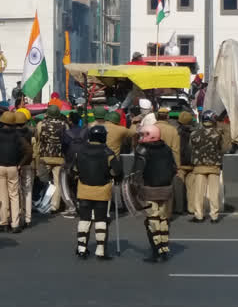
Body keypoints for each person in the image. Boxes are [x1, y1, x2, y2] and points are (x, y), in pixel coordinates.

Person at [74, 125, 122, 260]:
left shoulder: (80, 151)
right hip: (102, 190)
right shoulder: (108, 153)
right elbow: (117, 171)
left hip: (83, 189)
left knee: (84, 219)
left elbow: (73, 170)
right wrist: (112, 176)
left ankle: (81, 248)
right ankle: (100, 250)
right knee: (101, 220)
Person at [133, 124, 176, 262]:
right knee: (163, 220)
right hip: (166, 190)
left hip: (149, 190)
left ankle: (155, 251)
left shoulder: (142, 150)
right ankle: (164, 250)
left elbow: (137, 173)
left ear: (149, 135)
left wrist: (135, 189)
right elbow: (174, 168)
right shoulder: (167, 149)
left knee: (152, 221)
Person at [0, 111, 31, 233]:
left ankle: (3, 222)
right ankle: (15, 224)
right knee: (14, 195)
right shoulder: (17, 136)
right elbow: (28, 151)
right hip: (13, 167)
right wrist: (20, 164)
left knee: (2, 195)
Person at [189, 110, 223, 223]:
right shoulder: (218, 133)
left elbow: (190, 148)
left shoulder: (194, 133)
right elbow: (223, 148)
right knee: (214, 193)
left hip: (199, 166)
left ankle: (199, 215)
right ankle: (214, 216)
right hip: (214, 166)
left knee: (198, 193)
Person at [36, 104, 68, 213]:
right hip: (59, 157)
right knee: (57, 182)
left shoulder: (41, 124)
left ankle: (40, 202)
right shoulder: (64, 125)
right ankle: (54, 206)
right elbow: (66, 141)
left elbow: (38, 139)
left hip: (44, 156)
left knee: (41, 180)